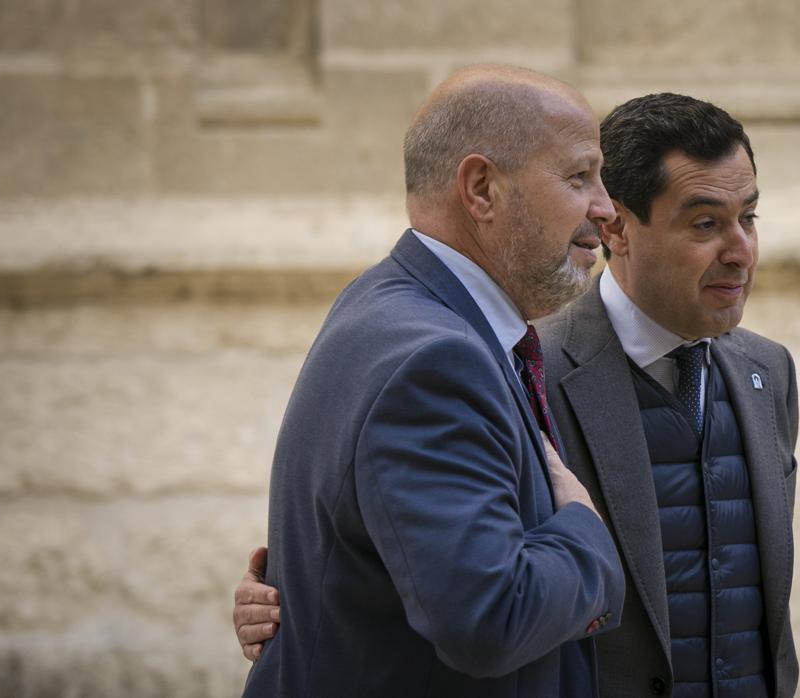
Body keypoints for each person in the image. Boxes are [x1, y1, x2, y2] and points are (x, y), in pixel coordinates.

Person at [237, 92, 800, 697]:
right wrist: (300, 599)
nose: (741, 252)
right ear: (620, 230)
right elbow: (474, 596)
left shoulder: (767, 372)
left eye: (749, 219)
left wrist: (314, 596)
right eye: (706, 224)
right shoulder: (518, 367)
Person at [238, 64, 626, 698]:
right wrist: (587, 535)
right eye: (579, 177)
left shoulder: (387, 301)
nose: (605, 209)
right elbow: (490, 619)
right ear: (481, 189)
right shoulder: (438, 360)